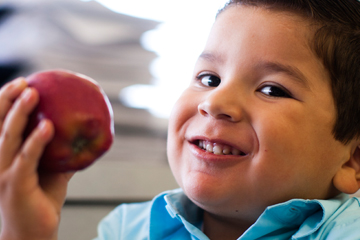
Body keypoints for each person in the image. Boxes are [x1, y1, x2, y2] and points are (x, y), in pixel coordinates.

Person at [0, 0, 359, 239]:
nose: (215, 101)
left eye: (272, 90)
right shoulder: (127, 230)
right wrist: (24, 232)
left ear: (352, 159)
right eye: (209, 78)